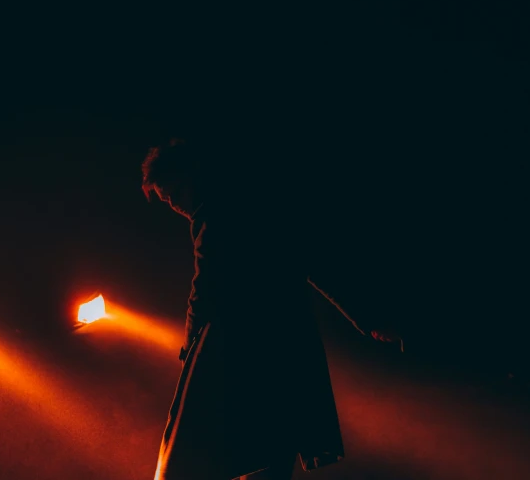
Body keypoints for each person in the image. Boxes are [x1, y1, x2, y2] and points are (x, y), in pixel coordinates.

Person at [141, 139, 399, 480]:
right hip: (290, 343)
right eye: (165, 198)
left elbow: (204, 288)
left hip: (244, 353)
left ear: (190, 176)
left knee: (232, 450)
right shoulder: (259, 205)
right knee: (275, 447)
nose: (173, 203)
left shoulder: (214, 217)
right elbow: (315, 264)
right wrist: (366, 319)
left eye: (171, 192)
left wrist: (190, 344)